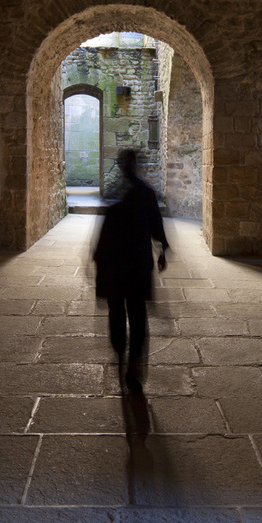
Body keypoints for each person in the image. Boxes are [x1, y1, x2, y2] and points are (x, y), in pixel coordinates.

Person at [93, 149, 168, 393]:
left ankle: (120, 348)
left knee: (117, 309)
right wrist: (162, 249)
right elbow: (156, 223)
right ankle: (134, 361)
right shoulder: (145, 193)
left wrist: (97, 257)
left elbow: (104, 229)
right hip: (136, 262)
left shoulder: (114, 193)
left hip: (115, 263)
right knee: (136, 313)